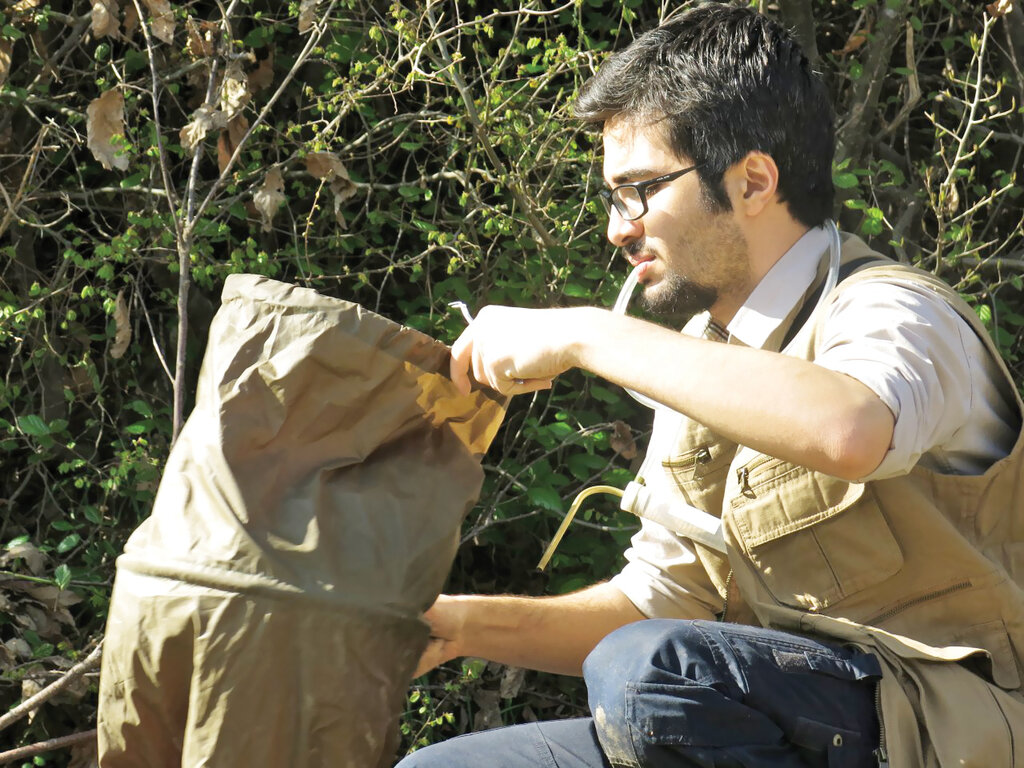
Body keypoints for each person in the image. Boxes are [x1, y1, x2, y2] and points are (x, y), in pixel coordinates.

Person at [396, 4, 1024, 768]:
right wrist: (454, 625)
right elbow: (661, 602)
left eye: (640, 190)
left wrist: (587, 332)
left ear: (754, 180)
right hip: (794, 729)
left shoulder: (895, 310)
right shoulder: (704, 359)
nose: (616, 228)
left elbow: (852, 429)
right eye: (611, 196)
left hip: (955, 734)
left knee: (652, 674)